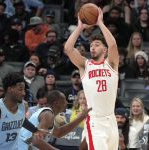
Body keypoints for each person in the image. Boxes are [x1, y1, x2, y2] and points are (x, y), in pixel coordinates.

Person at [64, 7, 119, 150]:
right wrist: (80, 27)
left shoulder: (111, 64)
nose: (92, 47)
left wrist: (100, 23)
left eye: (97, 44)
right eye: (91, 45)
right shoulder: (85, 65)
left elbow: (113, 44)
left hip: (111, 120)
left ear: (105, 50)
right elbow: (68, 48)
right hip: (95, 121)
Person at [18, 90, 91, 150]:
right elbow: (36, 140)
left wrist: (81, 117)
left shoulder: (48, 114)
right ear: (56, 103)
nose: (66, 102)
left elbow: (59, 133)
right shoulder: (47, 114)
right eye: (64, 100)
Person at [0, 72, 48, 149]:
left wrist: (36, 130)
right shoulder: (0, 108)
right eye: (20, 89)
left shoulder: (23, 105)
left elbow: (21, 119)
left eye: (24, 90)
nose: (24, 93)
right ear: (9, 89)